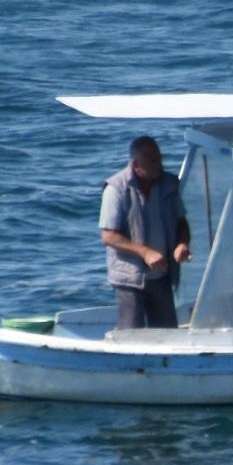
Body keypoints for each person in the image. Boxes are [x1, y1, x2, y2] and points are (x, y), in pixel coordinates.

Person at [100, 135, 191, 328]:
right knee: (131, 334)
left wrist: (181, 245)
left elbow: (181, 223)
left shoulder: (169, 184)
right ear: (135, 163)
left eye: (159, 158)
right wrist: (146, 253)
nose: (159, 164)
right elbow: (109, 237)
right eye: (152, 160)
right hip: (130, 279)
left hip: (162, 275)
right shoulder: (116, 188)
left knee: (167, 333)